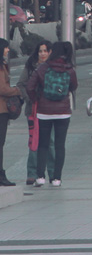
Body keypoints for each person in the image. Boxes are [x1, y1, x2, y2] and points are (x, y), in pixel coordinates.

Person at [27, 40, 77, 188]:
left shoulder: (43, 68)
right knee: (59, 145)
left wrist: (36, 98)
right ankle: (57, 179)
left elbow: (30, 86)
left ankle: (40, 176)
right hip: (63, 112)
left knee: (43, 144)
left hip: (44, 111)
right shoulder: (69, 68)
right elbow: (74, 86)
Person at [20, 42, 49, 185]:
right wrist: (29, 98)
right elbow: (21, 84)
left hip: (49, 110)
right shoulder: (30, 66)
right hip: (32, 110)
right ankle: (32, 173)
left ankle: (52, 173)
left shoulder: (53, 66)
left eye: (45, 51)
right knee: (33, 141)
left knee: (51, 142)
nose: (42, 54)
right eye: (40, 51)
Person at [0, 40, 18, 186]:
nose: (7, 50)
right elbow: (2, 89)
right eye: (6, 48)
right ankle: (1, 175)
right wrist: (17, 91)